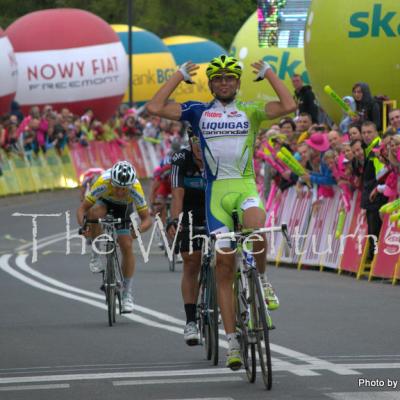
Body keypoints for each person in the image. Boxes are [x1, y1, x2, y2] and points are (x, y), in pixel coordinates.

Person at [147, 54, 296, 370]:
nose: (224, 83)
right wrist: (177, 76)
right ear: (211, 84)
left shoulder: (250, 111)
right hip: (216, 196)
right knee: (224, 267)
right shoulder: (198, 112)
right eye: (218, 79)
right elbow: (155, 107)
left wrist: (269, 73)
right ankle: (232, 343)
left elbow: (288, 106)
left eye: (230, 78)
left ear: (238, 83)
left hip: (244, 188)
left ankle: (264, 280)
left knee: (257, 227)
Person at [77, 161, 152, 313]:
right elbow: (82, 209)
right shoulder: (103, 182)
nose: (119, 191)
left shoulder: (135, 188)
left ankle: (126, 294)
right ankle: (96, 253)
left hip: (124, 209)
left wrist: (136, 231)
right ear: (112, 181)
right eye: (117, 187)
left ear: (130, 186)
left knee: (127, 245)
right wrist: (84, 227)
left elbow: (147, 220)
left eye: (124, 189)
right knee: (94, 214)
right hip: (104, 203)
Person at [166, 129, 206, 346]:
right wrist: (175, 220)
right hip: (189, 211)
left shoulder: (217, 157)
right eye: (196, 143)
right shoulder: (181, 159)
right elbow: (177, 194)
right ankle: (191, 321)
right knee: (191, 262)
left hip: (214, 210)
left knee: (225, 259)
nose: (200, 147)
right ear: (191, 143)